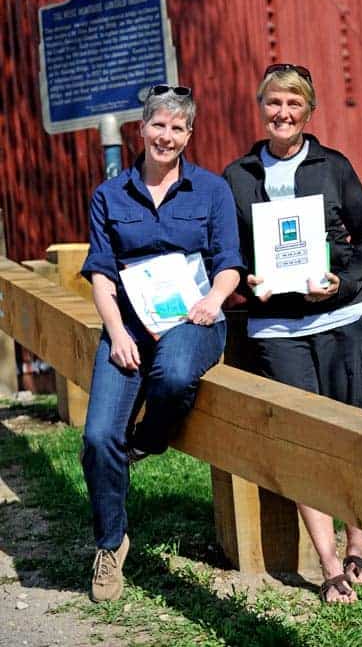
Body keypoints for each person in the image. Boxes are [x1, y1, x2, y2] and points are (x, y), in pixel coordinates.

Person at [223, 63, 362, 604]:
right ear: (261, 107)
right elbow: (229, 252)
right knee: (302, 439)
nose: (283, 114)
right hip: (277, 329)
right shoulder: (238, 176)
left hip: (343, 321)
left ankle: (358, 543)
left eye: (294, 104)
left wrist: (345, 280)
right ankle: (330, 563)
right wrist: (248, 279)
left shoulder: (333, 166)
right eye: (274, 103)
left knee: (351, 433)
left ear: (309, 111)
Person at [81, 85, 242, 602]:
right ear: (141, 129)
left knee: (172, 375)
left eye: (177, 128)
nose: (165, 136)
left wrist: (213, 301)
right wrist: (117, 331)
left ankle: (148, 441)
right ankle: (110, 546)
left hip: (195, 320)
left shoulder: (212, 191)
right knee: (98, 437)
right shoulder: (109, 196)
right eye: (158, 125)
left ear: (188, 136)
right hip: (129, 325)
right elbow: (101, 275)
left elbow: (229, 265)